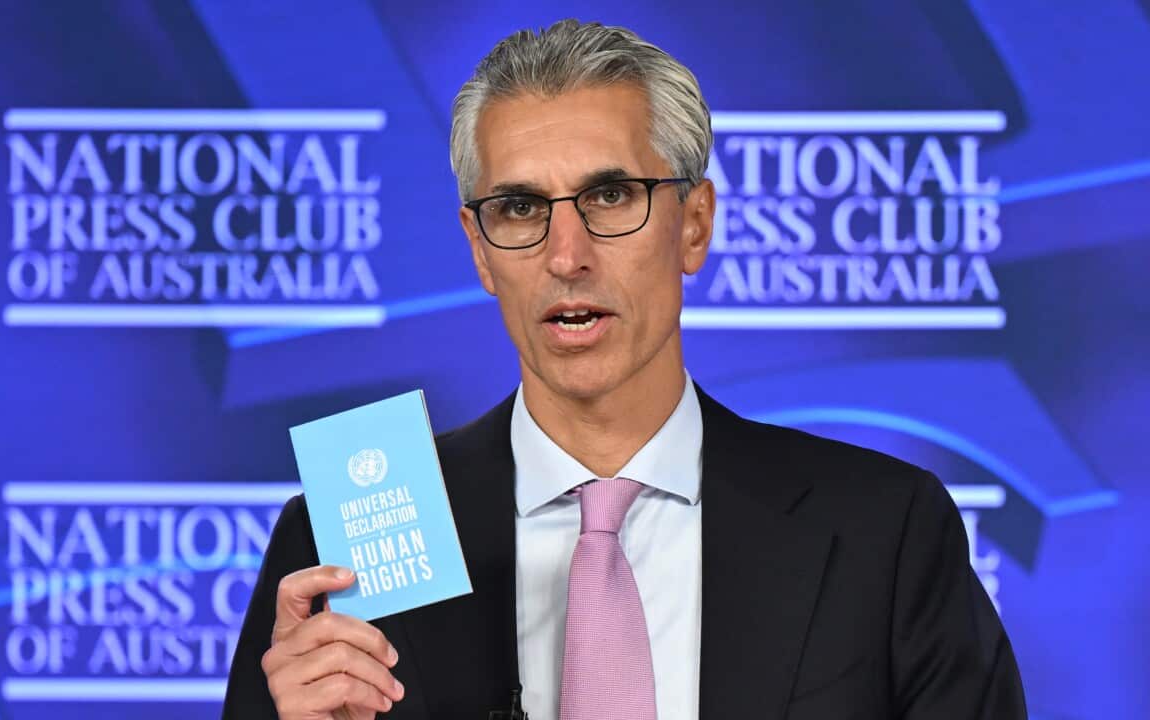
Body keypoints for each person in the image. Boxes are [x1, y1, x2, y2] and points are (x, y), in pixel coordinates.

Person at [222, 19, 1027, 720]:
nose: (565, 255)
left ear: (694, 224)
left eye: (611, 197)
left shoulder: (883, 532)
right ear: (480, 250)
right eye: (520, 208)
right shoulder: (343, 538)